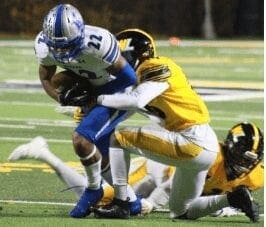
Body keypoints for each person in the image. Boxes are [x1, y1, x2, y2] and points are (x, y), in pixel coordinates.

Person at [91, 29, 260, 222]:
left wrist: (98, 99)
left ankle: (121, 204)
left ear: (134, 53)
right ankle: (232, 199)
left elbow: (136, 101)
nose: (115, 62)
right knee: (181, 211)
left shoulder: (153, 67)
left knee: (118, 138)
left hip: (191, 139)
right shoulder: (150, 71)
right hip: (204, 143)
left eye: (119, 56)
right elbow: (145, 108)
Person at [8, 122, 263, 217]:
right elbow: (168, 186)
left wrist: (227, 207)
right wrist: (150, 204)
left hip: (177, 191)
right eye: (239, 157)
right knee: (100, 197)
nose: (242, 164)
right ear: (227, 148)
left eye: (248, 160)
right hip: (158, 172)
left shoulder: (256, 175)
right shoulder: (210, 157)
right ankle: (44, 152)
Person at [34, 4, 138, 218]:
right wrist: (61, 98)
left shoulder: (97, 43)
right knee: (99, 152)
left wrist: (94, 95)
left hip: (118, 91)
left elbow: (129, 79)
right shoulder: (44, 45)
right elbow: (46, 79)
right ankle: (131, 202)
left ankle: (93, 188)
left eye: (67, 46)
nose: (62, 52)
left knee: (81, 139)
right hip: (95, 88)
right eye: (57, 47)